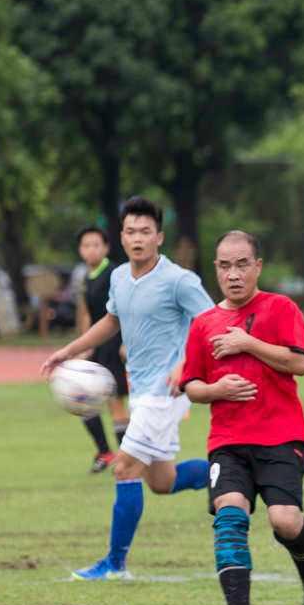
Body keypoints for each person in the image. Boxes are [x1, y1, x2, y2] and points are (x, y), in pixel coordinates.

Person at [41, 197, 214, 580]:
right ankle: (230, 473)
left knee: (124, 468)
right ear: (121, 237)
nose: (138, 238)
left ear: (159, 237)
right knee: (162, 481)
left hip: (166, 392)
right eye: (131, 231)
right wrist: (69, 352)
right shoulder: (120, 278)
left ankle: (115, 564)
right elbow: (111, 320)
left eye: (146, 232)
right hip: (141, 391)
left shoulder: (179, 280)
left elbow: (212, 323)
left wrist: (186, 365)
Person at [180, 230, 304, 605]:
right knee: (229, 516)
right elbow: (191, 385)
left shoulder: (281, 309)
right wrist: (215, 390)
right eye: (225, 266)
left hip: (281, 437)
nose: (234, 274)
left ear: (257, 266)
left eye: (242, 264)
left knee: (285, 521)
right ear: (216, 270)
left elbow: (299, 364)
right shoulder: (203, 324)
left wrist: (248, 343)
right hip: (227, 442)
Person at [71, 226, 129, 472]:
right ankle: (105, 452)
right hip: (95, 344)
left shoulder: (114, 273)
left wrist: (127, 341)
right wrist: (82, 345)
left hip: (113, 344)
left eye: (96, 244)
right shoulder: (87, 276)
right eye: (86, 245)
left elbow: (125, 309)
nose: (91, 249)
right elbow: (86, 312)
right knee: (83, 401)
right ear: (80, 250)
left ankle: (127, 459)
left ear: (105, 247)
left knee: (115, 402)